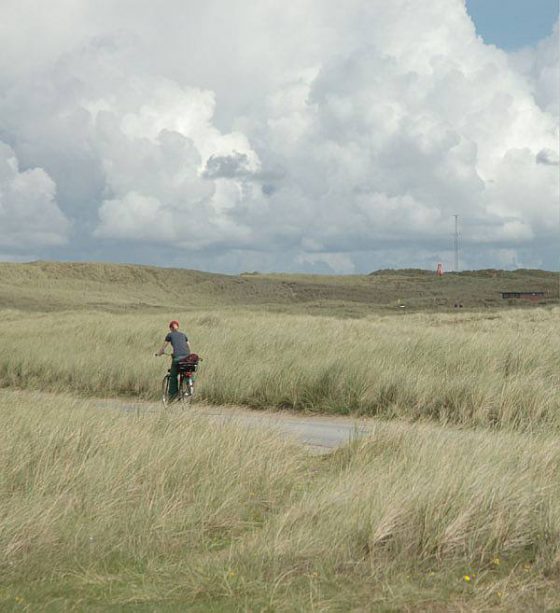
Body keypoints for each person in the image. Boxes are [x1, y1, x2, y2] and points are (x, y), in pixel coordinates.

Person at [156, 320, 192, 400]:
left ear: (171, 328)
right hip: (187, 358)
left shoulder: (170, 335)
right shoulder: (183, 335)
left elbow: (164, 346)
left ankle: (172, 397)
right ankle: (189, 388)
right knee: (187, 370)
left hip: (177, 358)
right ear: (177, 327)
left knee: (173, 375)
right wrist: (188, 355)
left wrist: (159, 353)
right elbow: (188, 346)